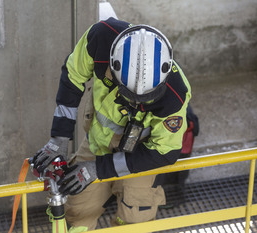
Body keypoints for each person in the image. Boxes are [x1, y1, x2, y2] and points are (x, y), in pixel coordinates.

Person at [29, 17, 191, 232]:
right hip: (97, 144)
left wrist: (98, 169)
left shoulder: (175, 94)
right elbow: (72, 77)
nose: (137, 102)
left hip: (139, 156)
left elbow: (166, 153)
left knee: (135, 217)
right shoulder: (100, 38)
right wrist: (58, 138)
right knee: (78, 209)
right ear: (114, 67)